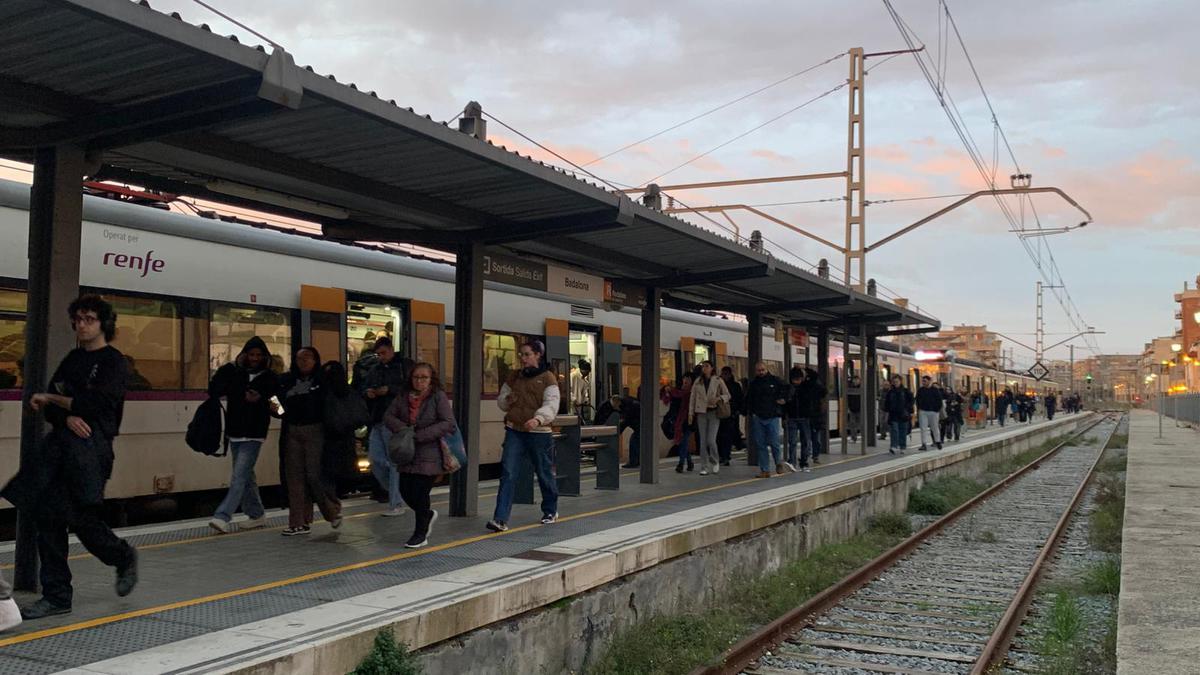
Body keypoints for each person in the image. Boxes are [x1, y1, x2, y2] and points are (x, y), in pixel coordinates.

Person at [1, 295, 137, 619]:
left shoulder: (115, 362)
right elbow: (53, 406)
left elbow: (96, 404)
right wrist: (66, 413)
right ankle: (57, 595)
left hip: (92, 450)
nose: (81, 324)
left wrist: (55, 399)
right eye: (77, 319)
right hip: (61, 448)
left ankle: (122, 556)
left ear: (103, 322)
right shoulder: (73, 359)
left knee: (84, 520)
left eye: (88, 318)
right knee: (46, 515)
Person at [207, 336, 278, 534]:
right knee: (246, 476)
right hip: (235, 432)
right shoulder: (234, 373)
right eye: (251, 354)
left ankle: (222, 516)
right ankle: (256, 514)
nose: (254, 358)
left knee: (238, 475)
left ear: (264, 357)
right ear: (244, 355)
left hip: (254, 434)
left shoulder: (270, 378)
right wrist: (227, 369)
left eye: (258, 355)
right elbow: (214, 388)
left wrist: (262, 400)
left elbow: (279, 409)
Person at [488, 340, 560, 532]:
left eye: (527, 354)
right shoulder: (514, 377)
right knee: (508, 473)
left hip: (539, 433)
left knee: (543, 472)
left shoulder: (548, 378)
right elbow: (502, 401)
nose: (523, 358)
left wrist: (538, 419)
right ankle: (500, 518)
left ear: (538, 355)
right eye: (521, 354)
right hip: (515, 430)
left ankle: (550, 510)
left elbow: (552, 405)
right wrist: (506, 400)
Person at [384, 363, 454, 548]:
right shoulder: (402, 396)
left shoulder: (438, 396)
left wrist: (421, 435)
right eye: (416, 377)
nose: (419, 381)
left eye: (424, 377)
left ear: (431, 379)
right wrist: (404, 431)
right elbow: (389, 416)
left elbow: (447, 422)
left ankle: (420, 534)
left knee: (421, 492)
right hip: (407, 451)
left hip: (429, 451)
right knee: (406, 489)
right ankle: (427, 515)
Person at [277, 346, 341, 536]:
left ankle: (332, 511)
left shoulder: (322, 381)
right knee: (294, 477)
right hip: (292, 429)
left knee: (314, 474)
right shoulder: (286, 381)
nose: (303, 362)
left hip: (316, 429)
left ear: (315, 360)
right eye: (299, 358)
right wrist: (281, 413)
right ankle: (298, 522)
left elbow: (334, 398)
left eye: (308, 358)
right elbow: (273, 400)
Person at [364, 337, 412, 518]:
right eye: (378, 354)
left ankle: (396, 502)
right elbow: (362, 386)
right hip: (377, 418)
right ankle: (398, 491)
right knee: (376, 461)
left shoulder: (404, 366)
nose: (381, 357)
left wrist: (389, 390)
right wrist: (368, 392)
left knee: (393, 463)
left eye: (383, 353)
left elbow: (409, 389)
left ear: (392, 349)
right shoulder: (375, 370)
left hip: (395, 420)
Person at [321, 360, 369, 497]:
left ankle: (333, 506)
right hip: (346, 440)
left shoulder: (323, 393)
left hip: (326, 439)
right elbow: (361, 417)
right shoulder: (351, 393)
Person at [746, 361, 788, 478]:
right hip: (758, 417)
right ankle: (765, 470)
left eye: (762, 370)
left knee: (774, 442)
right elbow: (749, 399)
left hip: (772, 416)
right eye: (759, 370)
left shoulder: (775, 380)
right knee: (761, 444)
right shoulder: (754, 384)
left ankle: (778, 463)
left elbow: (787, 389)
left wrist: (784, 399)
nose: (761, 372)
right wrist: (750, 412)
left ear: (766, 369)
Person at [688, 361, 730, 476]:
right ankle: (704, 466)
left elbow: (727, 395)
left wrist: (719, 398)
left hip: (713, 413)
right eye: (703, 367)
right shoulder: (698, 381)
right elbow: (693, 397)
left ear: (712, 368)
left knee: (711, 440)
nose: (704, 369)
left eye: (707, 366)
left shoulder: (718, 380)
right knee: (702, 441)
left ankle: (715, 460)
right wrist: (690, 413)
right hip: (701, 413)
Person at [663, 373, 695, 473]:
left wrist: (671, 391)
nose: (685, 381)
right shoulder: (678, 392)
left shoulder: (693, 392)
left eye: (688, 379)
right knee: (683, 442)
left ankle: (681, 464)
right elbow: (667, 401)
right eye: (684, 379)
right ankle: (689, 462)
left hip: (689, 420)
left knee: (683, 441)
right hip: (680, 421)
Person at [716, 366, 743, 466]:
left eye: (726, 374)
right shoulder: (718, 384)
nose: (724, 376)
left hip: (731, 415)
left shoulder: (735, 386)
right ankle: (722, 455)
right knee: (719, 436)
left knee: (727, 436)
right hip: (720, 413)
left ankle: (726, 456)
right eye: (723, 374)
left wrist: (737, 411)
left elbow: (739, 399)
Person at [783, 367, 808, 473]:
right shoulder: (788, 389)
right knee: (792, 441)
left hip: (804, 418)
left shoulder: (806, 389)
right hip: (792, 418)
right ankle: (792, 462)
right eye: (795, 379)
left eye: (798, 379)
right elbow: (784, 405)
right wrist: (784, 417)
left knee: (805, 441)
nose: (796, 382)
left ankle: (803, 462)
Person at [799, 368, 827, 464]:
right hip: (814, 415)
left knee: (808, 437)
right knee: (814, 437)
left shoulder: (807, 386)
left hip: (811, 415)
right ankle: (813, 455)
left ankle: (809, 455)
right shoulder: (818, 386)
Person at [883, 375, 914, 455]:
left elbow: (911, 401)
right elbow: (887, 404)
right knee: (894, 430)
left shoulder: (906, 391)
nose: (895, 383)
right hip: (893, 414)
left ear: (900, 381)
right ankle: (893, 446)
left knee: (903, 431)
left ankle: (902, 446)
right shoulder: (890, 392)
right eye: (894, 382)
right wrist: (886, 415)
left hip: (903, 414)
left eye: (897, 381)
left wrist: (908, 410)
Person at [915, 376, 943, 451]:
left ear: (929, 381)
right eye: (923, 381)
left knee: (935, 427)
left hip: (933, 411)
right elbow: (917, 399)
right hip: (923, 411)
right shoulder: (920, 390)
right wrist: (919, 408)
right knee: (923, 428)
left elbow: (939, 400)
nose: (923, 382)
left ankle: (937, 441)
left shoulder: (935, 390)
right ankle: (923, 444)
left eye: (925, 381)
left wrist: (936, 409)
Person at [616, 391, 642, 468]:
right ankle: (637, 461)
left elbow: (626, 421)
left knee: (634, 441)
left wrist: (618, 432)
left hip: (641, 426)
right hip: (642, 425)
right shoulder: (629, 402)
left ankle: (634, 462)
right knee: (636, 441)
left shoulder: (628, 407)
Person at [570, 359, 592, 423]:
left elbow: (584, 393)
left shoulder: (584, 380)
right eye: (587, 372)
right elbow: (568, 390)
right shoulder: (573, 376)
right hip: (572, 406)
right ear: (582, 370)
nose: (587, 374)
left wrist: (586, 400)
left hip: (579, 406)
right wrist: (574, 400)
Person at [846, 375, 863, 442]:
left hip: (860, 409)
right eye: (854, 380)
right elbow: (848, 398)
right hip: (852, 409)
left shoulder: (861, 388)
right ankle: (853, 437)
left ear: (859, 381)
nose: (855, 381)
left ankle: (863, 437)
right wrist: (849, 407)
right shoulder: (850, 388)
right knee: (852, 424)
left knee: (861, 424)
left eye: (857, 380)